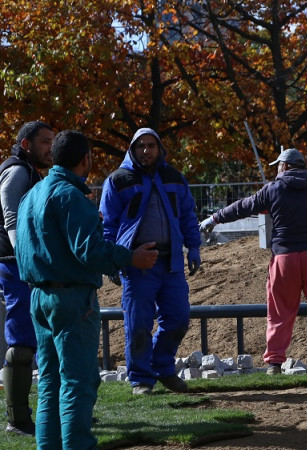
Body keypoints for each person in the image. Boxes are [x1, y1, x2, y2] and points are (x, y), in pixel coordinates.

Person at [15, 130, 159, 449]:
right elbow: (90, 252)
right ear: (86, 160)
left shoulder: (32, 195)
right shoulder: (71, 195)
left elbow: (23, 251)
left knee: (51, 383)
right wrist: (131, 257)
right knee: (78, 383)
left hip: (39, 297)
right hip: (72, 299)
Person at [199, 148, 307, 374]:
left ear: (284, 166)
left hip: (285, 259)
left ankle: (274, 362)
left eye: (277, 166)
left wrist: (214, 219)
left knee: (279, 311)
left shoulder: (273, 189)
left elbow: (243, 206)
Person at [99, 128, 202, 395]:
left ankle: (162, 367)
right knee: (138, 323)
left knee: (179, 318)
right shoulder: (118, 180)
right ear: (132, 150)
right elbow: (107, 224)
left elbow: (188, 215)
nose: (146, 150)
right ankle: (142, 379)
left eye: (151, 145)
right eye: (141, 146)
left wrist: (193, 247)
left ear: (160, 149)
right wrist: (112, 259)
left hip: (171, 262)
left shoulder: (175, 178)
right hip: (136, 263)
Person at [0, 121, 54, 436]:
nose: (51, 147)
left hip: (25, 264)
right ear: (25, 144)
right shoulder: (18, 171)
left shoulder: (31, 172)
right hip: (14, 264)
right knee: (21, 341)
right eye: (45, 141)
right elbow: (11, 217)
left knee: (31, 338)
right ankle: (17, 420)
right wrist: (25, 259)